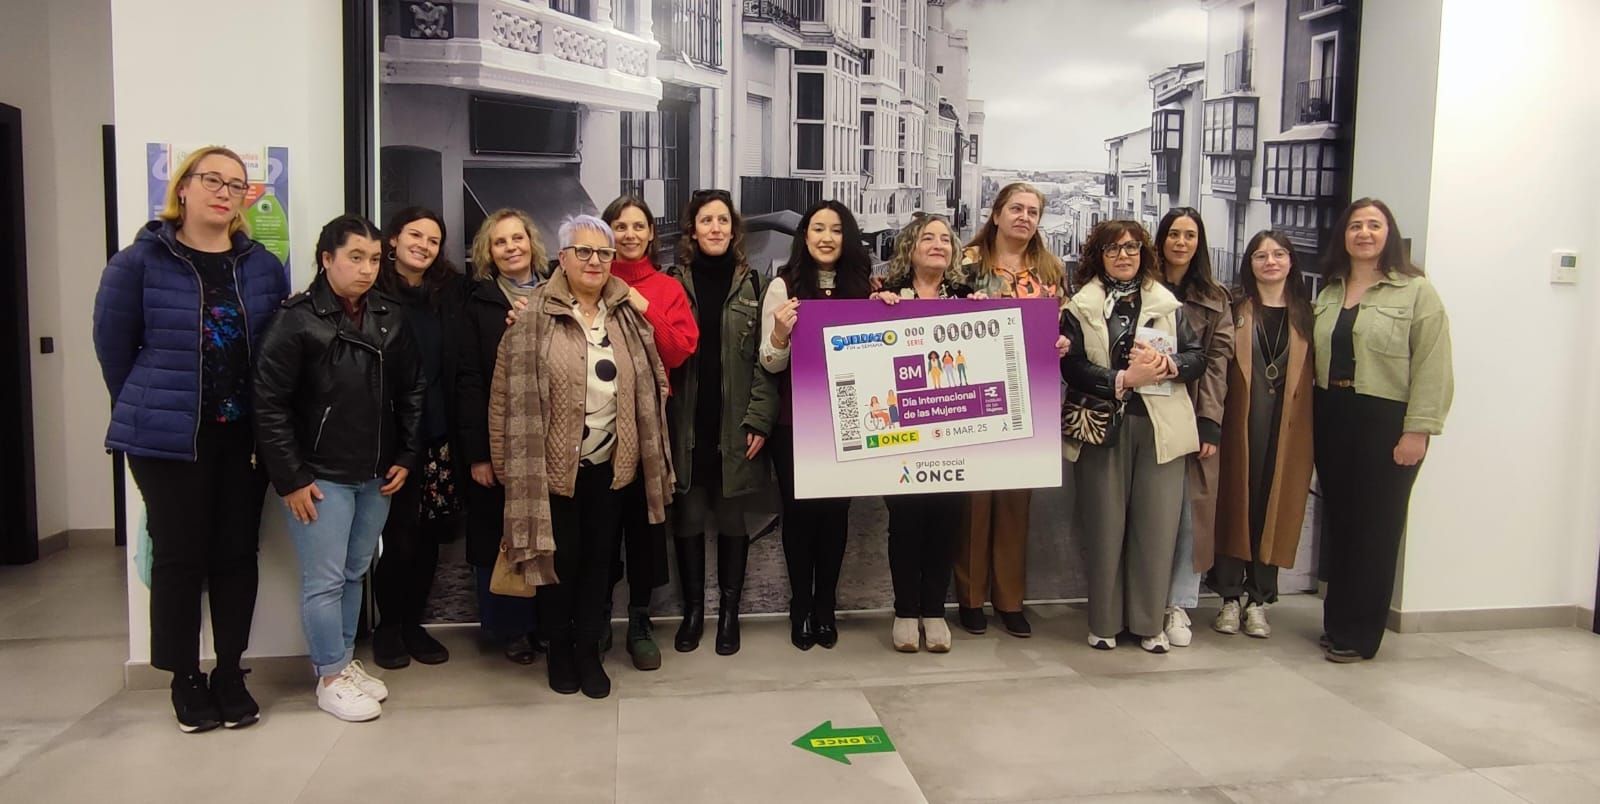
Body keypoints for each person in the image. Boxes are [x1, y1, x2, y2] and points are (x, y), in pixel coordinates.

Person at [93, 145, 288, 733]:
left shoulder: (261, 265)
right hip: (166, 439)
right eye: (212, 180)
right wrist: (153, 405)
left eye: (236, 184)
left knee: (236, 553)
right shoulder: (139, 262)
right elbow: (113, 350)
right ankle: (184, 678)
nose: (224, 192)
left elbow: (275, 352)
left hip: (243, 437)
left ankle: (230, 671)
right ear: (183, 187)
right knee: (180, 558)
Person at [489, 214, 674, 699]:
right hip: (552, 471)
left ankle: (589, 651)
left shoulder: (626, 315)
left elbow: (654, 380)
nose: (596, 261)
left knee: (598, 565)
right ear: (563, 258)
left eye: (605, 253)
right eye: (585, 252)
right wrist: (509, 471)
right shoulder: (532, 317)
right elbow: (503, 397)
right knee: (557, 565)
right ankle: (560, 650)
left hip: (613, 470)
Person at [253, 215, 424, 721]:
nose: (367, 269)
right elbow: (268, 403)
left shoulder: (390, 315)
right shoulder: (296, 319)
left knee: (355, 573)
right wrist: (291, 477)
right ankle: (329, 676)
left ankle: (344, 663)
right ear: (326, 259)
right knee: (325, 579)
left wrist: (407, 455)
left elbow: (413, 389)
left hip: (378, 473)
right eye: (355, 257)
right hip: (319, 475)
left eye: (374, 259)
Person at [1313, 199, 1452, 662]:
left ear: (1389, 234)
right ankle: (1336, 623)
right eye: (1356, 225)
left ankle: (1359, 633)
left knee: (1377, 525)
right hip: (1333, 412)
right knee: (1342, 522)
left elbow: (1434, 366)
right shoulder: (1331, 291)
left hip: (1385, 418)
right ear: (1344, 236)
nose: (1365, 233)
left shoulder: (1416, 292)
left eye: (1375, 225)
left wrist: (1419, 430)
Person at [1061, 220, 1204, 653]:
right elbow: (1073, 366)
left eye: (1131, 248)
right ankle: (1104, 622)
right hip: (1102, 426)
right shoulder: (1079, 306)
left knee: (1157, 527)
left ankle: (1148, 624)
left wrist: (1166, 365)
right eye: (1112, 249)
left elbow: (1197, 356)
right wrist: (1123, 377)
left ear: (1144, 253)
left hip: (1160, 427)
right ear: (1097, 256)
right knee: (1105, 526)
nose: (1123, 256)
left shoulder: (1168, 304)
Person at [666, 189, 779, 655]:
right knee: (688, 520)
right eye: (705, 220)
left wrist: (759, 419)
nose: (715, 228)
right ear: (692, 230)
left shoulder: (754, 285)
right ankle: (693, 612)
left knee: (733, 522)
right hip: (685, 426)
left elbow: (767, 362)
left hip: (736, 429)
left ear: (734, 231)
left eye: (723, 221)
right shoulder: (672, 284)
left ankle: (729, 615)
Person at [954, 181, 1068, 637]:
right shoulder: (967, 262)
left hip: (1029, 394)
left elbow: (1065, 325)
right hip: (974, 395)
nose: (1024, 217)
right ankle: (970, 598)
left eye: (1033, 211)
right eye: (1015, 208)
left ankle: (1010, 599)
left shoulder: (1051, 269)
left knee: (1015, 502)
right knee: (974, 501)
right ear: (996, 213)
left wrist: (1063, 341)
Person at [761, 200, 875, 650]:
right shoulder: (782, 286)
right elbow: (769, 363)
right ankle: (800, 606)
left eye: (835, 229)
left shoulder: (864, 288)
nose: (826, 237)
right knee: (800, 516)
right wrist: (780, 334)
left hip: (847, 422)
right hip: (795, 422)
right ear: (804, 237)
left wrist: (885, 308)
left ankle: (826, 605)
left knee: (835, 516)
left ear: (846, 237)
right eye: (817, 228)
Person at [600, 194, 699, 670]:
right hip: (593, 432)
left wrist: (640, 304)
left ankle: (639, 619)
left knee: (644, 532)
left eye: (639, 226)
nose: (630, 235)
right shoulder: (588, 279)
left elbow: (680, 350)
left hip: (646, 435)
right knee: (597, 532)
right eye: (620, 226)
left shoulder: (665, 288)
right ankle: (597, 616)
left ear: (651, 234)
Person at [870, 213, 975, 652]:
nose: (938, 244)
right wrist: (877, 313)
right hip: (903, 431)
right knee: (906, 522)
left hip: (956, 429)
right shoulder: (886, 295)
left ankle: (934, 611)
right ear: (910, 247)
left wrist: (1052, 342)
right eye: (927, 238)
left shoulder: (970, 298)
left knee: (947, 522)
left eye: (945, 239)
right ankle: (904, 611)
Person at [370, 207, 468, 670]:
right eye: (415, 235)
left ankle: (414, 623)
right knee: (397, 537)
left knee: (429, 537)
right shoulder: (370, 292)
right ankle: (387, 626)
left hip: (437, 432)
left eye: (433, 240)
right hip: (389, 437)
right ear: (392, 240)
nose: (424, 245)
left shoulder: (447, 293)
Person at [1211, 231, 1316, 639]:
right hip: (1239, 422)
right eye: (1260, 255)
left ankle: (1260, 599)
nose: (1270, 262)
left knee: (1273, 508)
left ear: (1291, 261)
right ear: (1249, 263)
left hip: (1287, 427)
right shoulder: (1234, 309)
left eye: (1278, 254)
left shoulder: (1308, 315)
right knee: (1234, 504)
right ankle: (1229, 599)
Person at [456, 209, 545, 665]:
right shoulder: (478, 303)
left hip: (551, 442)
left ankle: (546, 623)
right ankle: (510, 629)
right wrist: (479, 454)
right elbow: (469, 379)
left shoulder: (559, 291)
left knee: (546, 534)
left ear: (532, 242)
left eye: (517, 238)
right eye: (500, 242)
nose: (511, 247)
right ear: (487, 253)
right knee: (501, 535)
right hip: (500, 440)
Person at [1152, 208, 1234, 648]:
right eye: (1173, 234)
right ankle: (1143, 599)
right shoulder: (1139, 286)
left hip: (1193, 409)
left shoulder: (1216, 298)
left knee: (1190, 512)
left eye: (1190, 235)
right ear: (1160, 238)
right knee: (1147, 513)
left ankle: (1179, 603)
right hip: (1144, 412)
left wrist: (1209, 421)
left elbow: (1218, 364)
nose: (1181, 242)